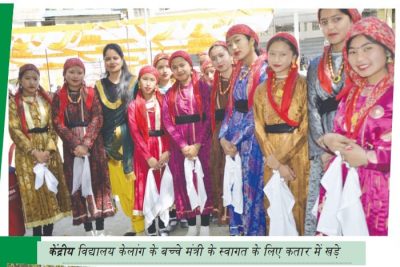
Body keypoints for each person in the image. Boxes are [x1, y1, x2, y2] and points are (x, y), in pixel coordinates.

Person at [317, 17, 394, 236]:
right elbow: (341, 133)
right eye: (352, 52)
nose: (360, 58)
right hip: (346, 182)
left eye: (368, 49)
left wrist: (369, 157)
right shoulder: (353, 93)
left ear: (386, 48)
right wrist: (329, 141)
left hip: (381, 189)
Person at [304, 9, 361, 235]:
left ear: (353, 19)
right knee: (320, 207)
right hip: (323, 147)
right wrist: (323, 146)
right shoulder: (316, 64)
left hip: (354, 145)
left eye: (337, 19)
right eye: (324, 22)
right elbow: (312, 106)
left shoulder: (363, 58)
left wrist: (344, 146)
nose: (331, 27)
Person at [52, 58, 115, 236]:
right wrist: (75, 144)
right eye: (71, 72)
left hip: (94, 145)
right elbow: (57, 122)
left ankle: (100, 229)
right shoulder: (58, 96)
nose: (75, 76)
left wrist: (86, 144)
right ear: (64, 74)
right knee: (78, 184)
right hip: (72, 148)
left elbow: (98, 117)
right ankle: (88, 230)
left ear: (83, 74)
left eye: (79, 72)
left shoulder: (90, 93)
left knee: (98, 183)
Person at [254, 33, 309, 235]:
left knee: (298, 203)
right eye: (272, 54)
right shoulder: (260, 89)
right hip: (270, 154)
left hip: (298, 152)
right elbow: (258, 126)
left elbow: (305, 126)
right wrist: (275, 162)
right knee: (274, 205)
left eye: (283, 55)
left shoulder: (303, 84)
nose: (276, 60)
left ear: (294, 56)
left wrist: (279, 159)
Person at [9, 64, 71, 236]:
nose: (31, 82)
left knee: (50, 190)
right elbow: (14, 129)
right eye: (27, 78)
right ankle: (37, 234)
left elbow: (54, 126)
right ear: (20, 80)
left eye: (35, 78)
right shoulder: (14, 103)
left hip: (48, 152)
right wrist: (34, 152)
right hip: (27, 154)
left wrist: (48, 150)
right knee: (34, 194)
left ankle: (49, 233)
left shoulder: (46, 100)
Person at [219, 24, 267, 236]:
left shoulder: (265, 69)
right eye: (230, 44)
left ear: (252, 40)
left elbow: (257, 111)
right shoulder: (238, 70)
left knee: (252, 191)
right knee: (236, 188)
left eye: (238, 41)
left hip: (254, 140)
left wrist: (235, 140)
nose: (234, 47)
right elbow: (230, 108)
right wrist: (223, 137)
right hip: (234, 141)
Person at [162, 50, 213, 236]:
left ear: (190, 66)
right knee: (183, 182)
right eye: (174, 67)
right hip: (180, 147)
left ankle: (205, 224)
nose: (179, 70)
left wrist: (198, 144)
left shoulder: (203, 87)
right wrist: (183, 145)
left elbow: (208, 117)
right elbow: (167, 121)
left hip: (202, 142)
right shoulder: (169, 94)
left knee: (204, 180)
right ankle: (192, 224)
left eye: (182, 65)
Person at [95, 43, 143, 235]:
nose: (112, 61)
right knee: (119, 188)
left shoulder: (133, 82)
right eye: (108, 58)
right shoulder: (99, 86)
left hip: (131, 142)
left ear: (122, 59)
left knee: (132, 185)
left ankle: (140, 227)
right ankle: (135, 224)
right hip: (109, 145)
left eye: (115, 57)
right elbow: (97, 115)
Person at [128, 66, 172, 236]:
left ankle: (163, 222)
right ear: (139, 82)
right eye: (144, 79)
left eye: (152, 80)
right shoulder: (133, 106)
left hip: (162, 146)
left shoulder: (163, 101)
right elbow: (135, 134)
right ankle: (151, 224)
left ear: (156, 83)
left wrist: (167, 150)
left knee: (163, 185)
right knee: (147, 186)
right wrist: (148, 157)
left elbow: (169, 126)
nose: (148, 83)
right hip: (143, 152)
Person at [208, 41, 233, 225]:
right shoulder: (214, 83)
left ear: (230, 54)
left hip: (239, 133)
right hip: (219, 134)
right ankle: (225, 213)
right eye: (214, 58)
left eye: (221, 55)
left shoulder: (244, 77)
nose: (218, 61)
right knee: (221, 172)